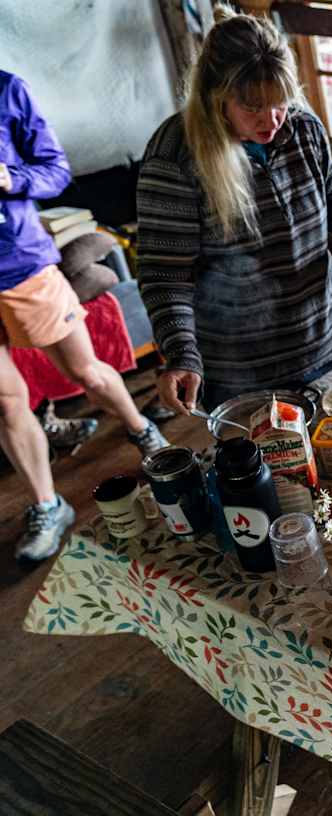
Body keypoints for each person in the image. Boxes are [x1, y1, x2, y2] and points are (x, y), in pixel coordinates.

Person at [137, 10, 332, 414]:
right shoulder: (175, 158)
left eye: (280, 103)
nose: (272, 120)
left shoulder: (303, 128)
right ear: (216, 97)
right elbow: (165, 274)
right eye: (253, 106)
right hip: (247, 370)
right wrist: (182, 353)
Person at [0, 70, 169, 561]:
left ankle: (142, 430)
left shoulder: (8, 90)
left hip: (21, 266)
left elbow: (55, 171)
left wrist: (11, 178)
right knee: (8, 404)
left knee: (86, 371)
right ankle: (48, 506)